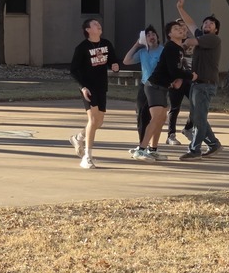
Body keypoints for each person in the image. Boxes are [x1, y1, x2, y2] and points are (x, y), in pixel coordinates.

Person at [133, 21, 196, 161]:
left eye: (181, 28)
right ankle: (141, 149)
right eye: (176, 28)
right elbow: (173, 70)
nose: (180, 30)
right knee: (156, 118)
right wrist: (190, 75)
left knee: (161, 118)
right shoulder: (170, 47)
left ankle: (153, 150)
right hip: (153, 85)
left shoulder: (179, 49)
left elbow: (175, 70)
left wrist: (179, 79)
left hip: (163, 87)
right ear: (169, 34)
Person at [68, 18, 119, 169]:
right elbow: (73, 70)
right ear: (88, 30)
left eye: (99, 24)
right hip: (88, 88)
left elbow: (112, 61)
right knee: (92, 119)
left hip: (101, 86)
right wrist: (83, 87)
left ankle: (78, 138)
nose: (99, 25)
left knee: (99, 122)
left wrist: (115, 66)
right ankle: (87, 157)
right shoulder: (82, 48)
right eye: (95, 24)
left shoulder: (106, 44)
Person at [176, 0, 222, 161]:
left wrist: (180, 42)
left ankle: (195, 150)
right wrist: (180, 9)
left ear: (216, 29)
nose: (207, 24)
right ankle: (214, 144)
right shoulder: (202, 36)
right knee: (198, 117)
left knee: (199, 118)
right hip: (197, 84)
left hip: (205, 85)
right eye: (205, 23)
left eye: (211, 24)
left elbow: (190, 40)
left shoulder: (212, 39)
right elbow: (191, 24)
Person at [122, 25, 163, 151]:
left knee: (156, 117)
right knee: (141, 115)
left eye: (153, 34)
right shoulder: (142, 52)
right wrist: (136, 45)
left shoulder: (163, 50)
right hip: (144, 86)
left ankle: (153, 147)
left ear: (157, 37)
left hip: (158, 87)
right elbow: (126, 61)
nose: (151, 36)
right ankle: (142, 145)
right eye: (148, 35)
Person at [165, 19, 195, 145]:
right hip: (176, 80)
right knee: (175, 107)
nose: (183, 30)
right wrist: (172, 80)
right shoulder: (172, 45)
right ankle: (171, 135)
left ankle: (188, 128)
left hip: (189, 79)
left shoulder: (192, 43)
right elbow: (169, 65)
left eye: (185, 28)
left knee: (197, 105)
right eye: (180, 28)